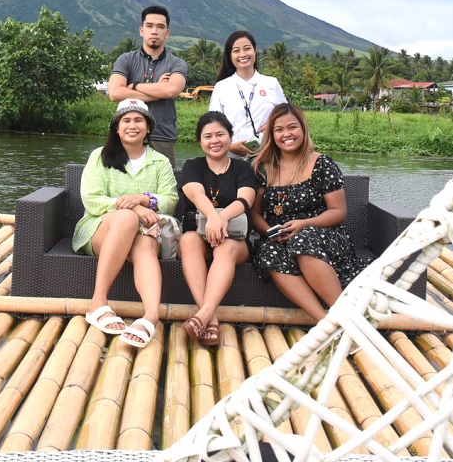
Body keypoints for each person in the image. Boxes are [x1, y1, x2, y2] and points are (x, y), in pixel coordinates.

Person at [72, 98, 178, 348]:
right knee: (128, 218)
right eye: (126, 121)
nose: (133, 125)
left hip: (143, 232)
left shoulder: (160, 162)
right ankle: (98, 301)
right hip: (99, 230)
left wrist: (144, 199)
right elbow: (92, 200)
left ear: (148, 128)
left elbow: (171, 200)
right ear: (117, 128)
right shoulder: (100, 156)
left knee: (146, 243)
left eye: (139, 120)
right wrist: (136, 209)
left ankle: (151, 315)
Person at [248, 103, 363, 321]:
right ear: (271, 135)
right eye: (279, 130)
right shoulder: (263, 167)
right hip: (280, 237)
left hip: (323, 234)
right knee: (268, 252)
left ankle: (345, 315)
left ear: (303, 128)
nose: (286, 134)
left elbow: (338, 212)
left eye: (292, 127)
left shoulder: (321, 164)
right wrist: (271, 231)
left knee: (302, 240)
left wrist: (304, 223)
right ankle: (325, 321)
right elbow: (254, 214)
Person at [176, 111, 257, 346]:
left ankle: (202, 316)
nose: (215, 141)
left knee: (225, 249)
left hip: (234, 239)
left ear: (230, 138)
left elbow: (246, 200)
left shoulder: (242, 169)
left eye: (220, 134)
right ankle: (209, 318)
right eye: (208, 136)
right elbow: (194, 192)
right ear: (200, 141)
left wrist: (222, 219)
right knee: (188, 241)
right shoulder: (193, 166)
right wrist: (212, 216)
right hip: (199, 236)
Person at [107, 6, 188, 167]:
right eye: (150, 26)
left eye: (160, 27)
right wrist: (159, 90)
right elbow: (115, 93)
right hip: (127, 134)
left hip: (162, 137)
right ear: (141, 30)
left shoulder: (176, 63)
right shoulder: (126, 60)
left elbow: (171, 90)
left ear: (167, 33)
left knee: (162, 189)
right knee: (122, 184)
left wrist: (134, 86)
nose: (154, 31)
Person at [210, 30, 286, 157]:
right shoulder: (221, 87)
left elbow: (286, 115)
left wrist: (273, 122)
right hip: (231, 158)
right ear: (229, 55)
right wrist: (231, 147)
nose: (243, 54)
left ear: (255, 50)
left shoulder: (271, 83)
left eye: (247, 49)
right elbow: (213, 124)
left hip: (266, 156)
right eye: (236, 51)